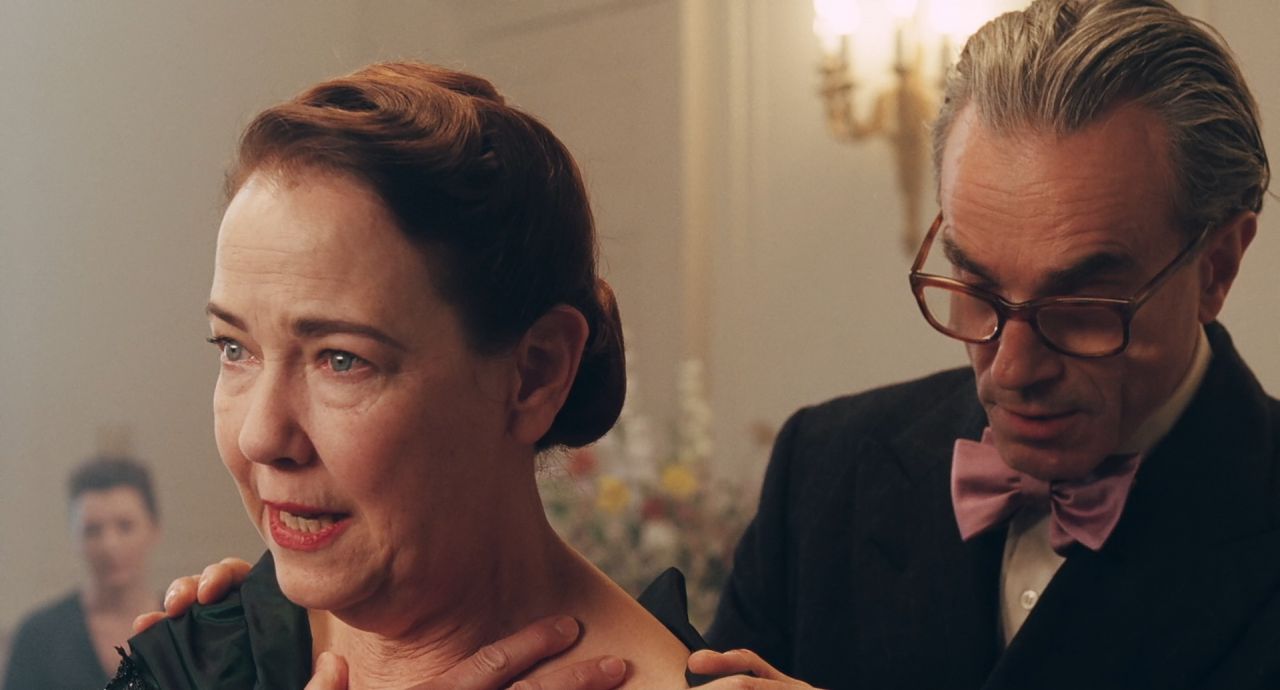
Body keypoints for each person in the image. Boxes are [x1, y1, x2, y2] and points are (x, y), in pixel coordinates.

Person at [149, 1, 1280, 688]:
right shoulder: (830, 469)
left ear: (1220, 263)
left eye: (1083, 307)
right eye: (974, 287)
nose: (1011, 364)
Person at [111, 61, 720, 690]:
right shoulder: (204, 658)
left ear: (536, 372)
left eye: (341, 360)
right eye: (235, 348)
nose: (260, 437)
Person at [4, 457, 162, 690]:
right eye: (92, 530)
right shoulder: (38, 637)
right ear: (74, 537)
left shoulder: (183, 629)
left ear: (154, 528)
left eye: (125, 526)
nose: (110, 545)